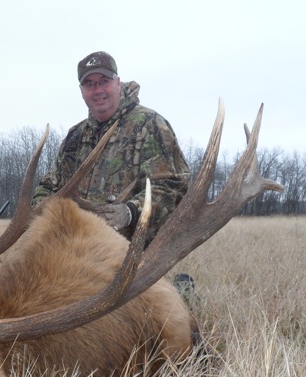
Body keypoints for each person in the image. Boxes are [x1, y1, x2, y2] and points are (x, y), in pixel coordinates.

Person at [34, 51, 190, 244]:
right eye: (89, 84)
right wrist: (48, 211)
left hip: (130, 253)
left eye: (104, 81)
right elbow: (48, 187)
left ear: (118, 83)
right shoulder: (74, 137)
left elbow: (173, 188)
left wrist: (130, 212)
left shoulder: (149, 125)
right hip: (73, 249)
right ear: (81, 90)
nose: (97, 89)